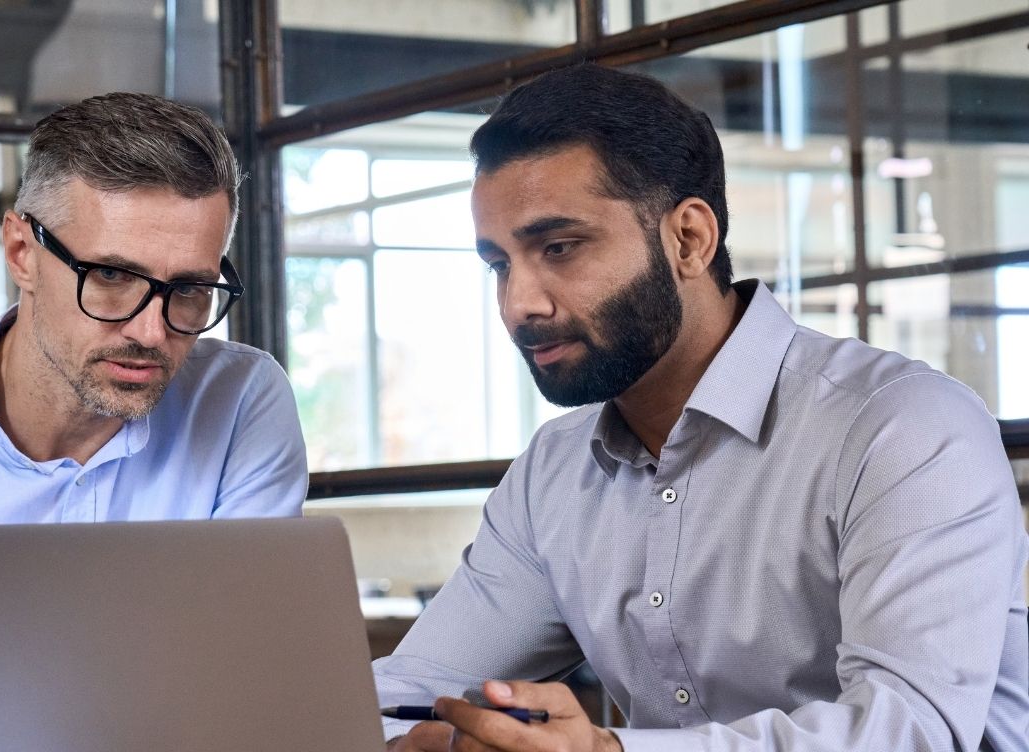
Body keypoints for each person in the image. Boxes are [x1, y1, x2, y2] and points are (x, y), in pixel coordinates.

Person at [375, 64, 1028, 752]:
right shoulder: (554, 475)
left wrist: (608, 749)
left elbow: (907, 732)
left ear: (689, 239)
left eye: (559, 248)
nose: (519, 304)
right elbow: (412, 691)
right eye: (499, 264)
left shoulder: (902, 428)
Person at [0, 92, 308, 750]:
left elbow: (247, 690)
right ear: (22, 252)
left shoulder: (241, 403)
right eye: (111, 275)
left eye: (191, 290)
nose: (150, 331)